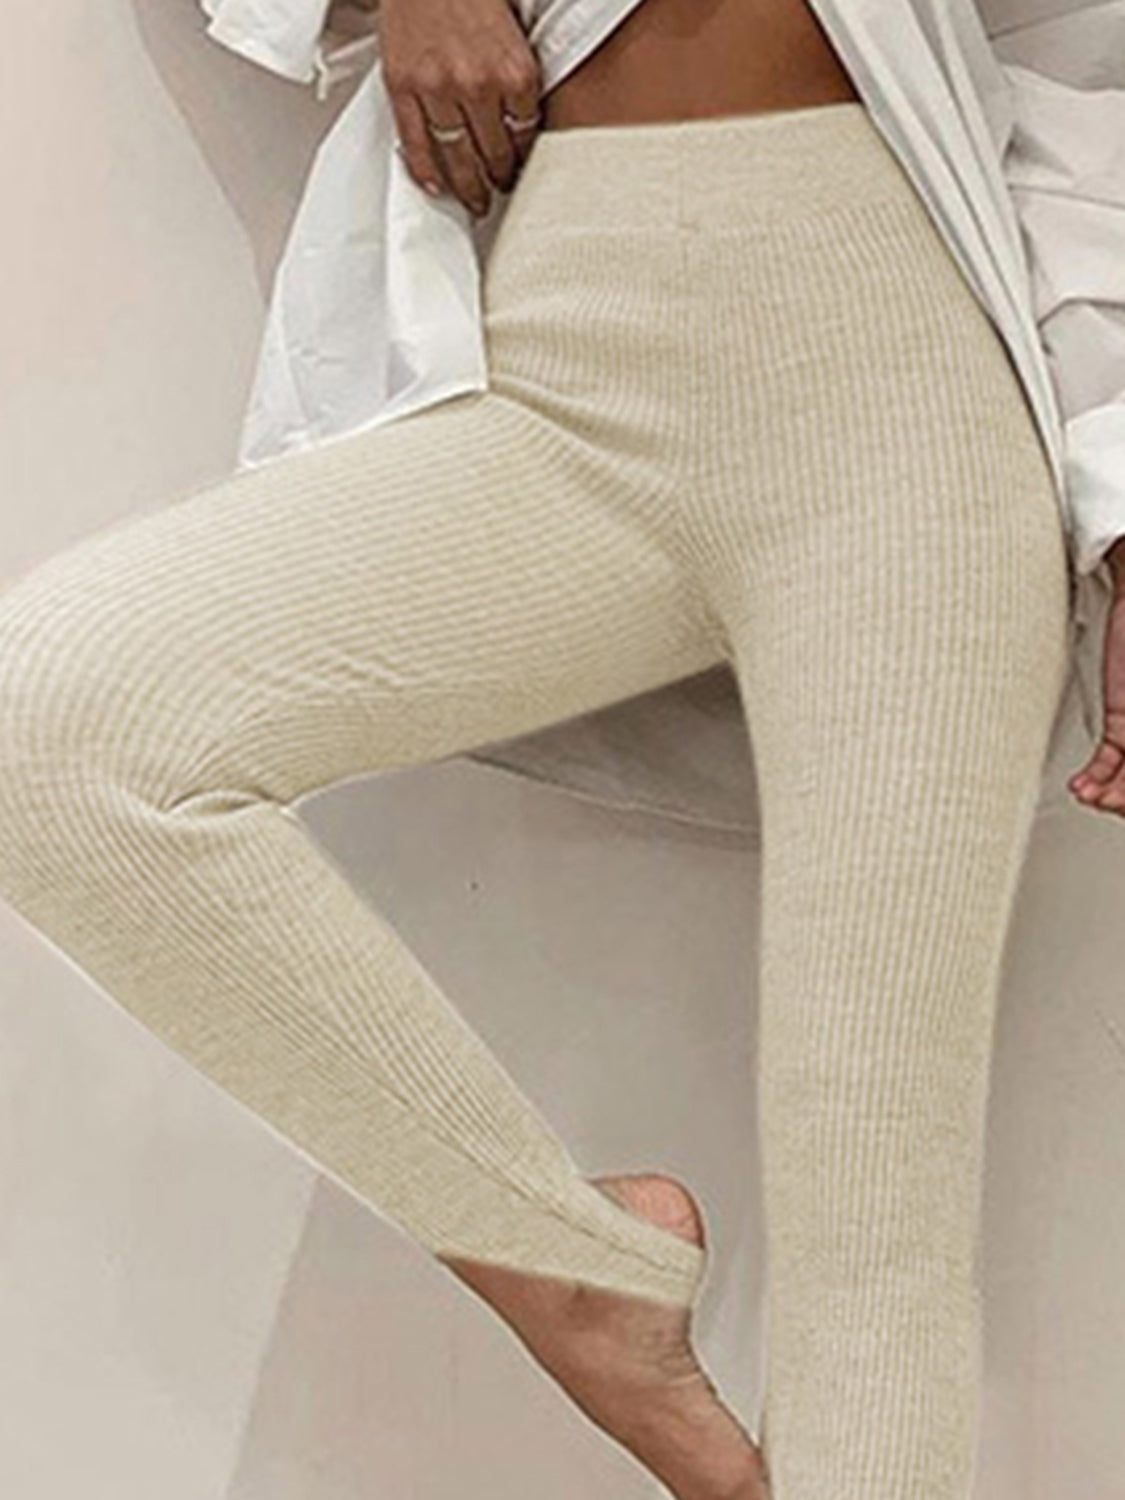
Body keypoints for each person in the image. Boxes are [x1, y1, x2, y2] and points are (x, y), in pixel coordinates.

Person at [0, 2, 1117, 1498]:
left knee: (877, 1212)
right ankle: (567, 1267)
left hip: (911, 398)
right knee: (64, 720)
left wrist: (1122, 500)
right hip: (560, 375)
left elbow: (1080, 62)